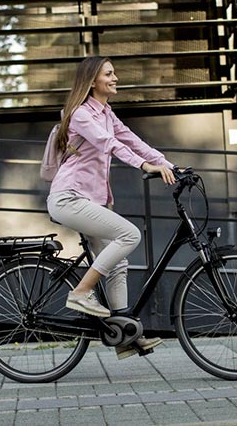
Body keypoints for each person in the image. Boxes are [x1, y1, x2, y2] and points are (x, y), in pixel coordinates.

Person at [46, 55, 176, 359]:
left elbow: (132, 140)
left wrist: (171, 166)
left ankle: (124, 334)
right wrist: (144, 165)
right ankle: (80, 292)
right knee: (129, 235)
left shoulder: (106, 113)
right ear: (93, 81)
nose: (115, 78)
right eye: (109, 73)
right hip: (69, 198)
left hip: (89, 202)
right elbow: (110, 145)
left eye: (114, 73)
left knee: (118, 263)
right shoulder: (81, 114)